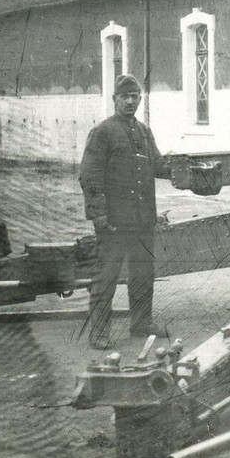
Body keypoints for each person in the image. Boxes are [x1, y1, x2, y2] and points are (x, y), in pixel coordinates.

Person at [79, 74, 168, 350]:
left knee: (143, 273)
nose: (130, 102)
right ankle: (99, 332)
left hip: (142, 219)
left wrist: (185, 166)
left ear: (140, 99)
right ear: (115, 99)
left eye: (135, 97)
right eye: (124, 97)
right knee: (106, 276)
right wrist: (99, 214)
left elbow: (158, 165)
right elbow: (89, 175)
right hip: (114, 221)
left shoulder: (143, 132)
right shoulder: (103, 132)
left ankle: (141, 323)